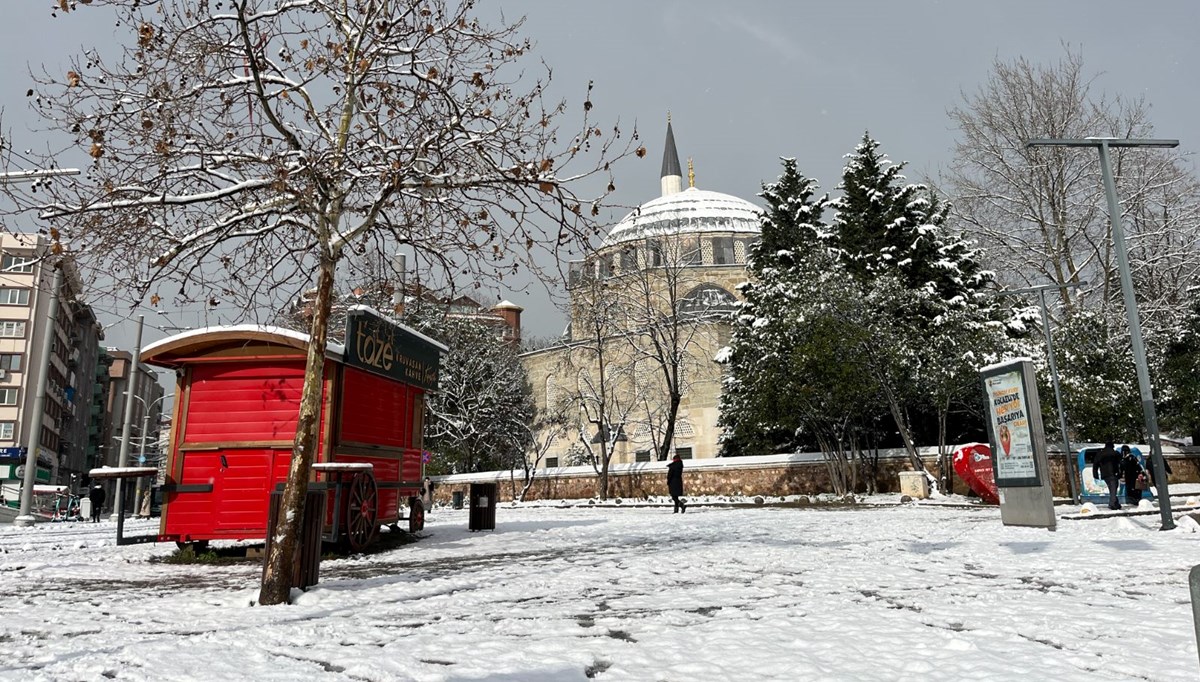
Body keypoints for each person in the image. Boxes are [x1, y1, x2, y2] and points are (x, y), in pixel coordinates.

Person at [1092, 441, 1122, 510]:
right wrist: (1120, 473)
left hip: (1105, 474)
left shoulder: (1100, 454)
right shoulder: (1115, 453)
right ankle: (1112, 504)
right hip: (1113, 473)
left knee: (1112, 488)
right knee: (1113, 488)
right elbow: (1122, 463)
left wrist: (1095, 474)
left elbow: (1095, 464)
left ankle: (1115, 503)